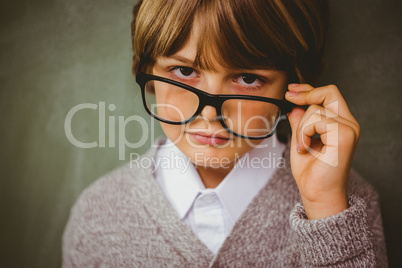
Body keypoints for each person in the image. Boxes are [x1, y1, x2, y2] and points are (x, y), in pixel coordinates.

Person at [62, 0, 388, 266]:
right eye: (185, 71)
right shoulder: (97, 215)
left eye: (247, 78)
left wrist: (325, 208)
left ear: (293, 84)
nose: (209, 113)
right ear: (147, 71)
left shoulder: (344, 205)